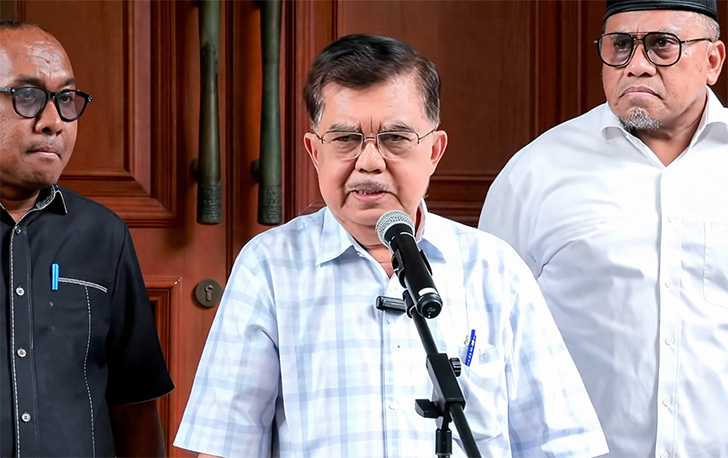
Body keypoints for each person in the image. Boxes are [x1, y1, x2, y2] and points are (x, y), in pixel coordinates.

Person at [174, 34, 608, 458]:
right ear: (314, 152)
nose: (369, 162)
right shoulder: (269, 267)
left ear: (434, 151)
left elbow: (563, 445)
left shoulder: (494, 269)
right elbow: (225, 447)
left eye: (395, 139)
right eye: (345, 139)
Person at [479, 0, 727, 456]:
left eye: (662, 45)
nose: (636, 65)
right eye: (620, 45)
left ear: (712, 60)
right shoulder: (535, 173)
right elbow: (485, 335)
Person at [0, 21, 174, 456]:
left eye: (65, 99)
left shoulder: (104, 236)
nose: (53, 122)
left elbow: (135, 406)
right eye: (27, 96)